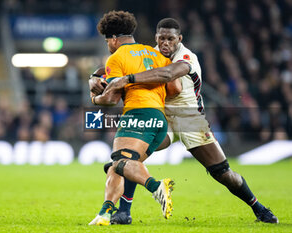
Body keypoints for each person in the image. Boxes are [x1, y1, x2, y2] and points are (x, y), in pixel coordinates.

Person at [89, 18, 278, 224]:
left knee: (222, 173)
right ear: (156, 38)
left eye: (170, 39)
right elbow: (113, 65)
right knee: (131, 158)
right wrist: (94, 77)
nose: (165, 44)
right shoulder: (151, 54)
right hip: (162, 118)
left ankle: (258, 208)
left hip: (190, 119)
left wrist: (128, 79)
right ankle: (124, 212)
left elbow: (168, 74)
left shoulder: (187, 57)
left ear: (179, 39)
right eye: (161, 39)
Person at [88, 11, 191, 226]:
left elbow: (112, 98)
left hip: (138, 114)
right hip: (159, 120)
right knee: (119, 164)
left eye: (108, 40)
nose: (108, 45)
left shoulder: (116, 58)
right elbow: (175, 87)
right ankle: (106, 213)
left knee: (121, 160)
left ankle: (156, 186)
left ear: (114, 39)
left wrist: (95, 98)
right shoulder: (155, 54)